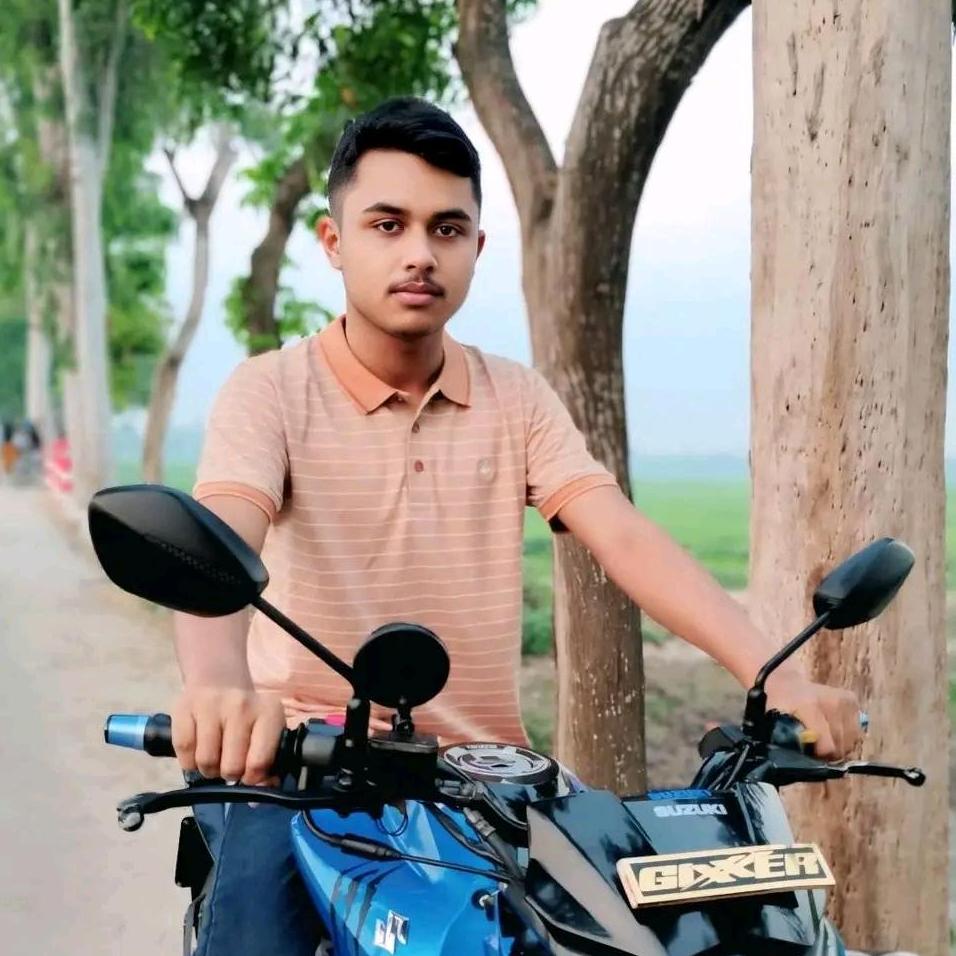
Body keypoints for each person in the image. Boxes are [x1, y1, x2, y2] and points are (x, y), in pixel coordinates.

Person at [173, 97, 863, 956]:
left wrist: (777, 676)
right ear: (334, 241)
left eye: (447, 228)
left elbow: (623, 537)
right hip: (302, 764)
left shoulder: (516, 398)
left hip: (484, 779)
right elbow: (217, 547)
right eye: (387, 225)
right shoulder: (269, 391)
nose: (420, 253)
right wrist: (219, 685)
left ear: (476, 246)